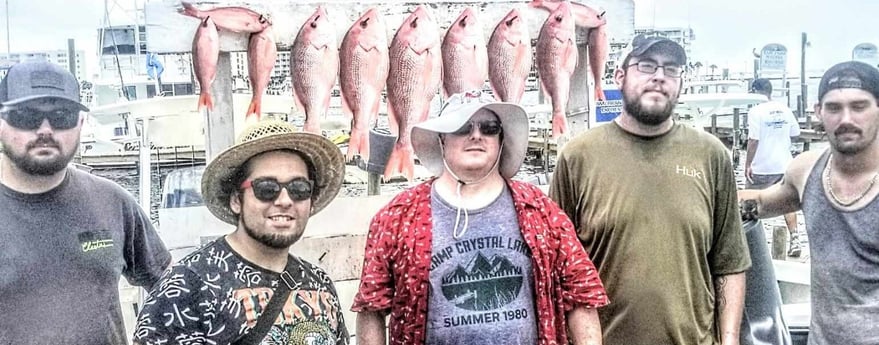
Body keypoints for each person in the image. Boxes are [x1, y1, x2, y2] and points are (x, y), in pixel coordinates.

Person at [353, 90, 609, 345]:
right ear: (442, 139)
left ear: (500, 139)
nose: (476, 135)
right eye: (462, 127)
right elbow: (371, 307)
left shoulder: (542, 210)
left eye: (489, 127)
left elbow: (581, 295)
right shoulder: (396, 217)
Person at [549, 36, 751, 345]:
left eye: (671, 69)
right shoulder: (577, 156)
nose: (659, 76)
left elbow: (729, 262)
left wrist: (730, 339)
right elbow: (556, 267)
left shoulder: (711, 155)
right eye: (646, 66)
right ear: (620, 75)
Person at [133, 120, 350, 344]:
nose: (284, 200)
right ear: (237, 200)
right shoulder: (186, 286)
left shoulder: (319, 281)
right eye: (267, 188)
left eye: (299, 189)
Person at [0, 60, 171, 343]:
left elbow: (171, 287)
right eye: (26, 116)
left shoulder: (114, 202)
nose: (45, 130)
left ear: (80, 123)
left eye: (61, 116)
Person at [738, 61, 879, 345]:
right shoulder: (806, 171)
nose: (846, 118)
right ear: (818, 112)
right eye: (834, 108)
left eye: (859, 106)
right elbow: (762, 202)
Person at [745, 78, 803, 257]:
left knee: (749, 204)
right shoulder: (784, 109)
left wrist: (748, 164)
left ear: (755, 91)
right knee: (787, 204)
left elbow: (753, 140)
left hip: (761, 166)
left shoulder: (755, 111)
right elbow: (796, 133)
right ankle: (795, 239)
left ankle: (749, 245)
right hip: (784, 164)